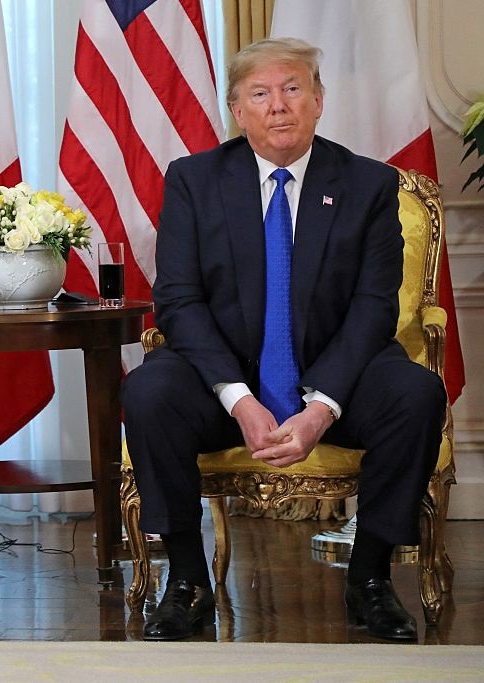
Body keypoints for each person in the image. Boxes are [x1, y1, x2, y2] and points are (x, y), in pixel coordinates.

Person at [122, 38, 446, 642]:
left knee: (415, 394)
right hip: (225, 380)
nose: (278, 105)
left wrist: (321, 408)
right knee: (149, 391)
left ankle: (370, 578)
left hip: (337, 374)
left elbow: (374, 307)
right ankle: (187, 579)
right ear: (237, 111)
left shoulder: (367, 184)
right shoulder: (195, 180)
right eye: (260, 94)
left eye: (293, 89)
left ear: (318, 101)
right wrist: (240, 400)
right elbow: (180, 301)